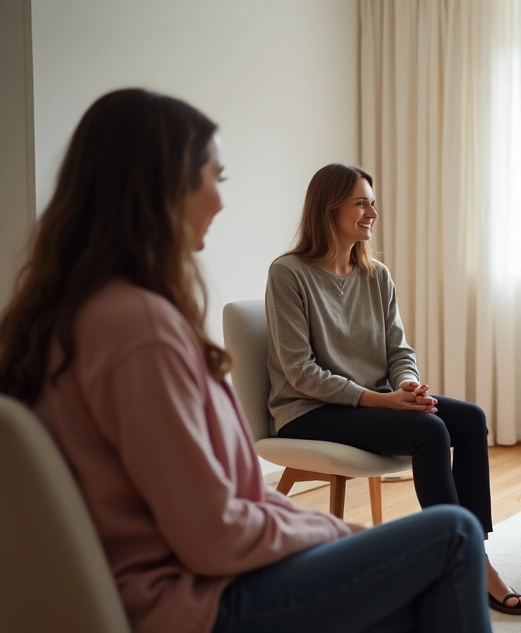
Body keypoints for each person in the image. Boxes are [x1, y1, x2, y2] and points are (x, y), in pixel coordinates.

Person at [0, 89, 492, 633]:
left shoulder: (69, 314)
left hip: (188, 577)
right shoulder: (139, 329)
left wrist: (337, 531)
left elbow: (225, 502)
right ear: (162, 187)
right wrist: (337, 534)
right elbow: (214, 532)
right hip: (197, 597)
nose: (219, 201)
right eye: (216, 178)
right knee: (452, 536)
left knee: (428, 566)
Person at [264, 163, 521, 615]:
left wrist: (407, 385)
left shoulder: (375, 274)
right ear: (329, 209)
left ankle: (473, 549)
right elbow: (299, 372)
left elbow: (398, 349)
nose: (372, 212)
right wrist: (381, 399)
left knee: (469, 420)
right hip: (309, 409)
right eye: (361, 203)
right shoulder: (289, 273)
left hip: (371, 399)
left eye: (373, 202)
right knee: (428, 431)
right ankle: (456, 560)